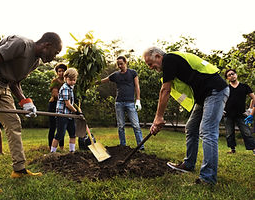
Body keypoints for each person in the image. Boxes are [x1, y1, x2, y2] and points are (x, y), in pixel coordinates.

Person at [0, 32, 62, 195]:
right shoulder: (21, 44)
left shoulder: (35, 62)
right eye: (55, 53)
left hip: (3, 84)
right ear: (47, 45)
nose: (54, 58)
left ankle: (19, 169)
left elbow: (14, 82)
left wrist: (25, 102)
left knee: (14, 124)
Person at [143, 47, 229, 185]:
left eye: (150, 63)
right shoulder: (172, 64)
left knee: (207, 131)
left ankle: (208, 178)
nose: (150, 67)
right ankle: (188, 164)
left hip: (215, 91)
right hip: (204, 97)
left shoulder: (169, 59)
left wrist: (158, 117)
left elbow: (165, 90)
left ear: (158, 56)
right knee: (191, 127)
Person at [98, 56, 144, 150]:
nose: (119, 66)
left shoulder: (132, 73)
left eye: (121, 64)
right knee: (121, 126)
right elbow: (104, 80)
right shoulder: (115, 75)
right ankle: (123, 146)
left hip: (130, 103)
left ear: (125, 62)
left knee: (136, 125)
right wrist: (93, 83)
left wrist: (138, 100)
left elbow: (137, 86)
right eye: (118, 64)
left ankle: (140, 146)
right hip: (119, 103)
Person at [223, 69, 255, 155]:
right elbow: (221, 99)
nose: (231, 76)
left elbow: (253, 98)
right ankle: (232, 149)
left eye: (232, 74)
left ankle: (254, 149)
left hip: (241, 114)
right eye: (229, 75)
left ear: (236, 75)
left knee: (246, 132)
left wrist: (250, 110)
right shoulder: (226, 88)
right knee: (229, 133)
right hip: (228, 114)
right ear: (227, 78)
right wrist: (221, 109)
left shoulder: (244, 86)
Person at [51, 68, 79, 153]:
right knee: (60, 134)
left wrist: (75, 111)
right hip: (62, 115)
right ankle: (52, 152)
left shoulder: (71, 87)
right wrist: (76, 112)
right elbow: (67, 104)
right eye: (70, 80)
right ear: (65, 78)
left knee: (73, 133)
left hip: (70, 115)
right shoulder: (65, 88)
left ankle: (72, 151)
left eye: (74, 80)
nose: (72, 82)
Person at [48, 63, 67, 150]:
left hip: (63, 105)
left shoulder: (68, 82)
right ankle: (50, 146)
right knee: (53, 127)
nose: (61, 73)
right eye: (59, 71)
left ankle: (61, 147)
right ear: (57, 72)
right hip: (54, 105)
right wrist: (65, 98)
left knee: (61, 126)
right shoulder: (55, 82)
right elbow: (55, 94)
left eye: (63, 71)